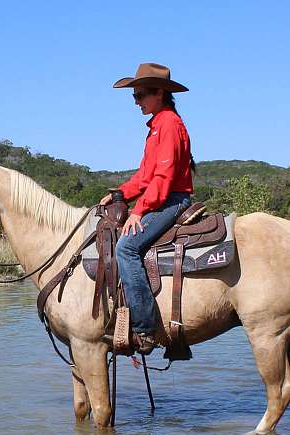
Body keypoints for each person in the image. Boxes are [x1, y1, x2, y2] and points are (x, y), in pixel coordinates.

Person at [99, 62, 195, 354]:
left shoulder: (168, 124)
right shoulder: (157, 126)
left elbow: (163, 178)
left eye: (139, 96)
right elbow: (144, 176)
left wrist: (139, 210)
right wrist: (120, 194)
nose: (136, 102)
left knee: (126, 248)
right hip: (164, 195)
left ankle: (144, 329)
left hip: (172, 199)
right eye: (135, 96)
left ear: (159, 93)